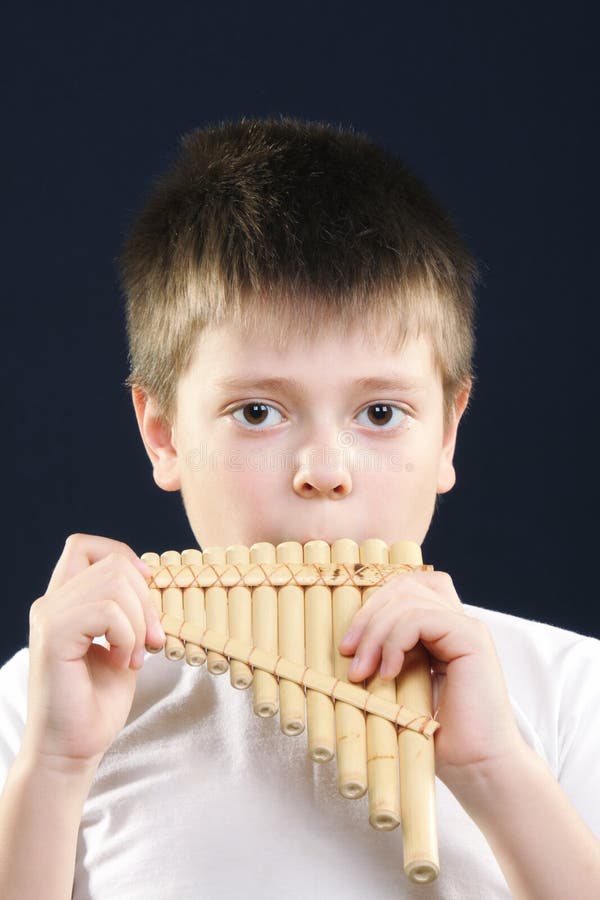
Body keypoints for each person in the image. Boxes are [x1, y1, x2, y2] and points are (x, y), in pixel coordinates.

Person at [1, 117, 599, 900]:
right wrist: (54, 768)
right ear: (164, 436)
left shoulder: (571, 689)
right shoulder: (40, 700)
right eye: (257, 412)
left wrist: (497, 775)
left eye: (380, 413)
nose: (324, 471)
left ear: (449, 434)